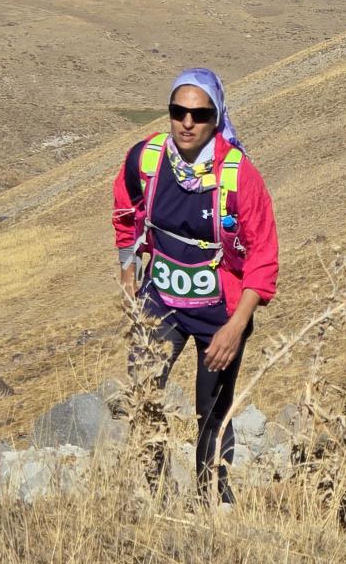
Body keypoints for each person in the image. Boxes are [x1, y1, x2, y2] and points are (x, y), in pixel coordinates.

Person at [112, 68, 279, 504]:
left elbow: (263, 256)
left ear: (216, 117)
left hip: (218, 314)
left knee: (211, 414)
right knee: (143, 393)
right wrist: (128, 268)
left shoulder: (239, 176)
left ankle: (212, 501)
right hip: (160, 303)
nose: (187, 123)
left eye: (200, 114)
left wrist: (236, 327)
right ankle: (155, 493)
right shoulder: (146, 160)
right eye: (178, 112)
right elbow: (125, 210)